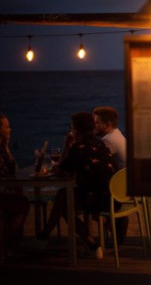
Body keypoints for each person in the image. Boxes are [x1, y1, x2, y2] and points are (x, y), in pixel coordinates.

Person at [36, 112, 118, 259]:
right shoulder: (101, 144)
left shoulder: (79, 148)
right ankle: (90, 243)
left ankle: (46, 235)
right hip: (112, 198)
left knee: (63, 199)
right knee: (64, 197)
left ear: (75, 130)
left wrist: (67, 145)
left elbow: (61, 170)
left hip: (97, 200)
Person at [93, 106, 129, 245]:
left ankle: (111, 224)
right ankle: (112, 225)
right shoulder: (117, 134)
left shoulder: (107, 141)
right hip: (126, 186)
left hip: (118, 191)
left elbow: (96, 165)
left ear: (107, 125)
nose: (93, 126)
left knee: (88, 198)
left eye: (96, 123)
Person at [0, 113, 30, 263]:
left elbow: (13, 170)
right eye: (6, 127)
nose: (10, 130)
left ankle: (9, 245)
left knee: (19, 197)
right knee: (22, 204)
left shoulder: (1, 148)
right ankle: (4, 245)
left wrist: (6, 148)